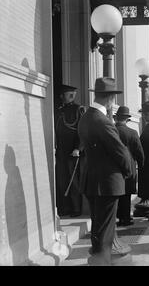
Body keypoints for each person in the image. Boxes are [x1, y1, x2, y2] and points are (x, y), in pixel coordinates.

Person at [78, 77, 132, 266]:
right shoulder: (103, 122)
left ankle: (97, 261)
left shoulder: (85, 117)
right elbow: (121, 153)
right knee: (106, 232)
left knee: (98, 228)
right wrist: (128, 171)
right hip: (107, 184)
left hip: (92, 181)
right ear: (110, 99)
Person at [55, 84, 85, 217]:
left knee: (73, 183)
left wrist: (78, 148)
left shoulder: (79, 110)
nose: (72, 96)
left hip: (73, 152)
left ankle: (76, 208)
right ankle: (64, 208)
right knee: (62, 181)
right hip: (61, 152)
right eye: (69, 94)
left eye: (73, 94)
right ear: (62, 96)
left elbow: (82, 131)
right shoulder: (59, 110)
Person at [114, 106, 145, 227]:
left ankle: (118, 216)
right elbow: (139, 152)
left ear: (116, 118)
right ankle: (125, 218)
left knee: (117, 193)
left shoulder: (111, 130)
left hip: (115, 167)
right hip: (129, 166)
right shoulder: (132, 133)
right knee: (126, 194)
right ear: (127, 119)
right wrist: (141, 164)